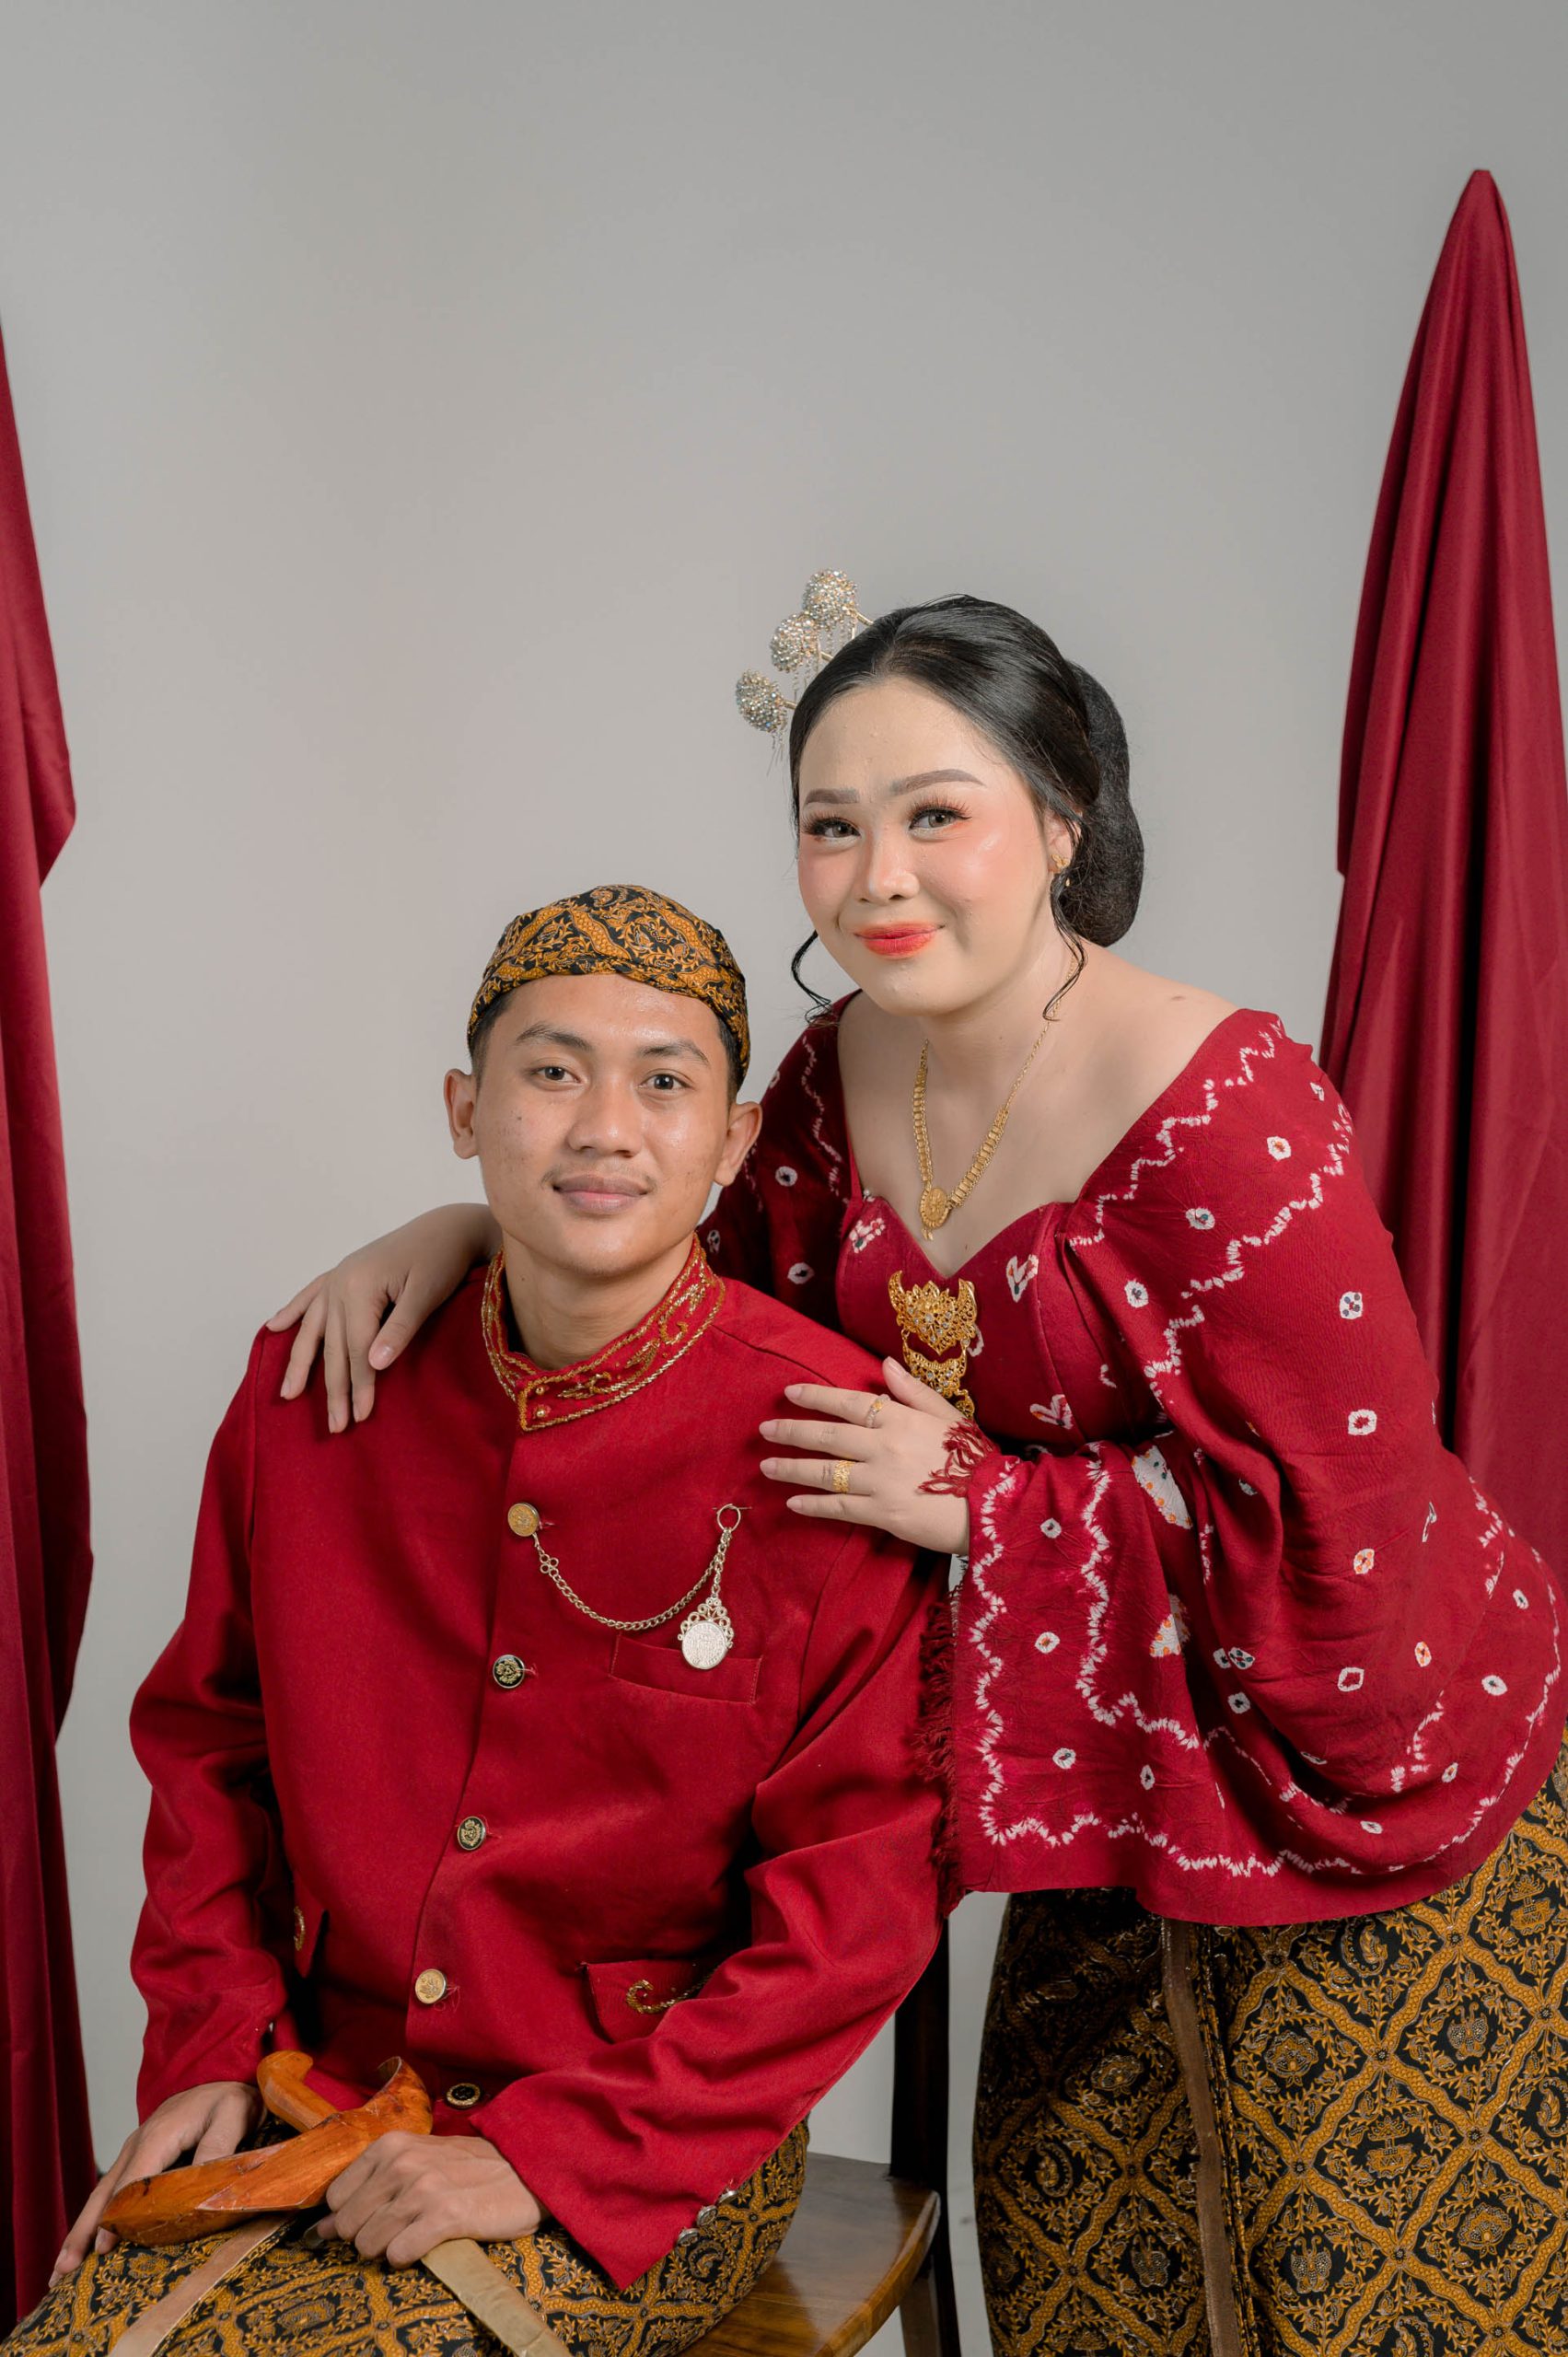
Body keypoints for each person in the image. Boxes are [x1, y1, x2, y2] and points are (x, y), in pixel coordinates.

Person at [264, 598, 1568, 2357]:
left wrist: (990, 1504)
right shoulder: (831, 1078)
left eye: (935, 813)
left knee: (1352, 2296)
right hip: (1105, 1794)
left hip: (1371, 1800)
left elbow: (1353, 1548)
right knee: (1079, 2262)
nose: (878, 876)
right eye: (832, 823)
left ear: (1064, 820)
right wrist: (455, 1228)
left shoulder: (1224, 1111)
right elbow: (668, 1269)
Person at [14, 884, 946, 2357]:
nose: (605, 1128)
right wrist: (208, 2041)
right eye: (552, 1071)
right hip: (314, 2093)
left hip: (650, 2153)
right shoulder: (310, 1391)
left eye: (664, 1084)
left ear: (734, 1140)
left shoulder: (830, 1446)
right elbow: (207, 1748)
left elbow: (858, 1901)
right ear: (465, 1111)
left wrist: (556, 2157)